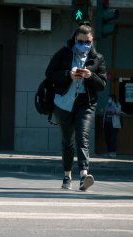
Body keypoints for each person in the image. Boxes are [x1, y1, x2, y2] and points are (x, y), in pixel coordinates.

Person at [45, 23, 107, 190]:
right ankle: (67, 176)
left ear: (92, 40)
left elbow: (102, 84)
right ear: (74, 39)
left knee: (82, 137)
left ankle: (84, 176)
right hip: (64, 103)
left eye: (87, 41)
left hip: (85, 104)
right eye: (80, 41)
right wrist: (68, 75)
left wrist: (90, 76)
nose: (84, 45)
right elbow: (49, 75)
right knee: (67, 140)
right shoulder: (63, 54)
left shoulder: (97, 58)